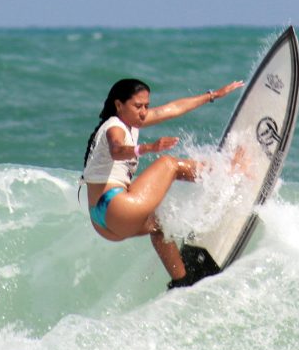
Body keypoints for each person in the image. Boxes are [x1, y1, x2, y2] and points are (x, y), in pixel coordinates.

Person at [81, 78, 244, 289]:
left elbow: (172, 109)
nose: (143, 112)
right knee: (169, 164)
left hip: (102, 222)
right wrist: (147, 148)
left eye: (146, 106)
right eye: (137, 106)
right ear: (119, 105)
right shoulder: (115, 127)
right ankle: (229, 172)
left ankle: (182, 280)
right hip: (115, 207)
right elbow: (117, 149)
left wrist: (213, 95)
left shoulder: (130, 122)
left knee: (160, 227)